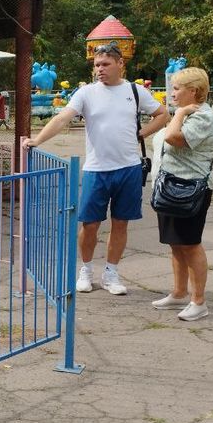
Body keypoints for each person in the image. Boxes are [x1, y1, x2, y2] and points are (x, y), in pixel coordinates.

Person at [23, 43, 169, 295]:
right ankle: (86, 270)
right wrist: (37, 140)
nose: (99, 69)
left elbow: (163, 114)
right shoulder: (86, 93)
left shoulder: (135, 92)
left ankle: (111, 273)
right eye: (96, 65)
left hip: (129, 168)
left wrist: (141, 133)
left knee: (120, 223)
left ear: (120, 64)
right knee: (89, 224)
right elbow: (61, 118)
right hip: (96, 169)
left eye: (105, 64)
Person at [151, 67, 213, 321]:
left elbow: (172, 138)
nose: (172, 92)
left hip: (189, 190)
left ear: (194, 91)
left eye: (177, 88)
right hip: (171, 188)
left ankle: (198, 301)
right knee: (176, 244)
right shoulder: (190, 114)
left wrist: (178, 113)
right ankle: (179, 293)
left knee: (190, 245)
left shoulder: (203, 117)